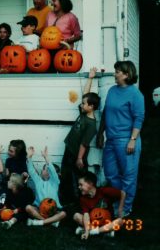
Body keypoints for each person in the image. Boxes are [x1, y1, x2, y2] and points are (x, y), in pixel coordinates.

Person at [96, 61, 144, 217]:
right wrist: (100, 133)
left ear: (127, 75)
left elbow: (138, 118)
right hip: (110, 140)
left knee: (129, 176)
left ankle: (125, 209)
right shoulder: (112, 90)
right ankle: (119, 201)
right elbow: (105, 113)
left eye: (117, 72)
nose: (115, 74)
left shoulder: (135, 94)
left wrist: (133, 139)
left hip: (126, 140)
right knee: (110, 173)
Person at [60, 68, 101, 205]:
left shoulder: (91, 125)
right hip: (69, 150)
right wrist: (90, 78)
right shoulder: (84, 113)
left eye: (84, 104)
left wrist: (79, 158)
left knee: (76, 178)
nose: (81, 105)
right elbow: (86, 94)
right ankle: (65, 200)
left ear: (91, 106)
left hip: (77, 155)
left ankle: (78, 202)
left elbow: (84, 143)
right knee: (65, 175)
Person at [73, 172, 126, 239]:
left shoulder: (103, 191)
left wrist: (120, 209)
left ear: (90, 183)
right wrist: (86, 231)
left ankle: (93, 232)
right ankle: (103, 231)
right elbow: (86, 215)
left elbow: (122, 193)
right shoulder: (83, 199)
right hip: (93, 222)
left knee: (120, 221)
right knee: (76, 216)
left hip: (107, 222)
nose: (79, 187)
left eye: (81, 185)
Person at [26, 146, 66, 227]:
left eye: (46, 169)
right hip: (40, 209)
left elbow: (53, 172)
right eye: (44, 169)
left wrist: (46, 158)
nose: (43, 170)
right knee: (28, 208)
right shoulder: (38, 182)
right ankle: (48, 221)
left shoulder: (55, 182)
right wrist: (29, 157)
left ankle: (39, 222)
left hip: (54, 209)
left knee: (63, 214)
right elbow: (31, 171)